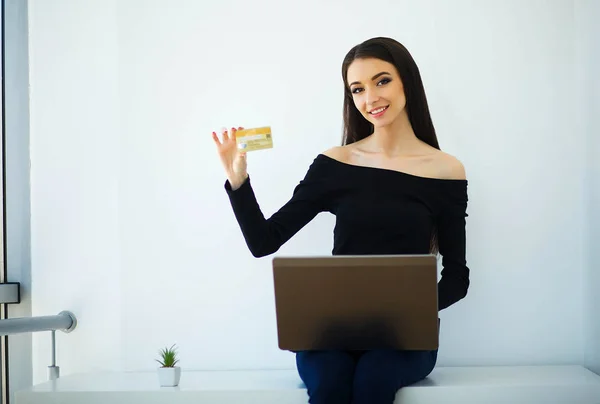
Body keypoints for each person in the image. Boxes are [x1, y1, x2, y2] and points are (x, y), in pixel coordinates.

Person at [211, 36, 470, 404]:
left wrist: (404, 311)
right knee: (331, 384)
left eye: (382, 81)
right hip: (331, 335)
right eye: (357, 89)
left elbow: (457, 279)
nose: (370, 99)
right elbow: (264, 241)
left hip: (404, 340)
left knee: (372, 380)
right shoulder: (336, 164)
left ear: (406, 81)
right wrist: (238, 181)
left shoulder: (445, 170)